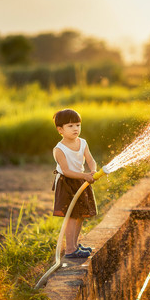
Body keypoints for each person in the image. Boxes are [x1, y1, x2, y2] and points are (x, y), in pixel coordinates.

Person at [52, 109, 98, 258]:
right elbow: (66, 171)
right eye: (70, 126)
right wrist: (84, 176)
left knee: (80, 215)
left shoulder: (83, 143)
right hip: (67, 183)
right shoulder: (59, 149)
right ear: (60, 129)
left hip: (81, 180)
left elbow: (90, 159)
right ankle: (70, 249)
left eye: (78, 125)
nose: (75, 129)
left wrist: (93, 171)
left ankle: (76, 245)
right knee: (71, 216)